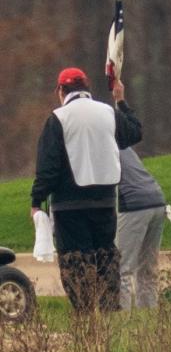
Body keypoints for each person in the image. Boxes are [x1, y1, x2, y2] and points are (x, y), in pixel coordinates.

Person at [30, 68, 142, 313]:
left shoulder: (57, 119)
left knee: (76, 266)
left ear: (61, 91)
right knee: (106, 261)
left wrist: (36, 201)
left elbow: (47, 168)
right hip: (104, 204)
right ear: (87, 88)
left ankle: (87, 323)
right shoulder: (108, 113)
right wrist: (120, 100)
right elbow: (134, 133)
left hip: (69, 207)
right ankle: (109, 316)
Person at [116, 147, 168, 310]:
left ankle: (120, 319)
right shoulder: (126, 147)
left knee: (121, 269)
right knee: (147, 268)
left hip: (133, 204)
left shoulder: (103, 147)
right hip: (157, 200)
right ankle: (148, 316)